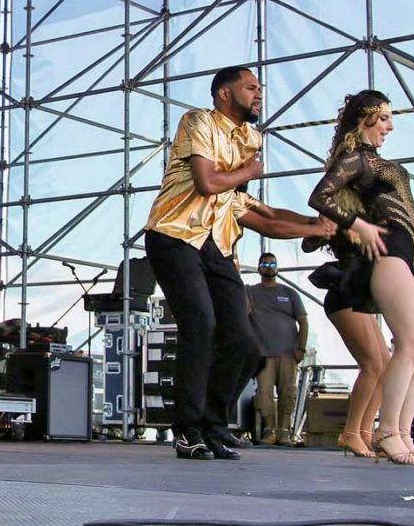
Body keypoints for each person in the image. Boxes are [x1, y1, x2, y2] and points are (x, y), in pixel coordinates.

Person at [144, 66, 335, 461]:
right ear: (224, 94)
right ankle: (188, 431)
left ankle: (214, 427)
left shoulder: (249, 139)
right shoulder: (198, 120)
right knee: (201, 325)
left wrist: (316, 225)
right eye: (250, 87)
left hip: (216, 245)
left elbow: (261, 214)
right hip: (174, 235)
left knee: (245, 344)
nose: (258, 94)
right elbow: (207, 182)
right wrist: (247, 171)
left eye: (259, 89)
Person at [308, 90, 414, 465]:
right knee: (409, 345)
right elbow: (320, 196)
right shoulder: (358, 159)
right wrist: (360, 225)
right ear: (365, 117)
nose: (389, 126)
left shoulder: (377, 161)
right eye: (383, 118)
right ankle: (386, 431)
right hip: (391, 249)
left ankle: (403, 433)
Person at [247, 252, 308, 446]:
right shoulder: (250, 292)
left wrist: (301, 349)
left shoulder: (289, 293)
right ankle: (270, 431)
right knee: (264, 394)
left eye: (272, 264)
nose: (269, 267)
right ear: (258, 268)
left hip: (288, 354)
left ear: (278, 267)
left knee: (288, 394)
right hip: (263, 354)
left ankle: (284, 432)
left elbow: (303, 322)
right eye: (265, 264)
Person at [323, 283, 389, 458]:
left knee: (385, 367)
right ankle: (350, 432)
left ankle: (364, 431)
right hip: (347, 295)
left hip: (360, 298)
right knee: (372, 365)